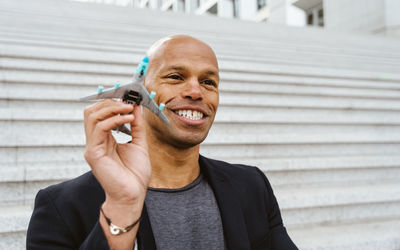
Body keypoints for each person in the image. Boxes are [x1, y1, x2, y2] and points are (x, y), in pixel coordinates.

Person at [27, 35, 298, 250]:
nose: (195, 92)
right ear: (143, 89)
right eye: (175, 77)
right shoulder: (60, 206)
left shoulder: (251, 185)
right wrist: (122, 206)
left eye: (208, 82)